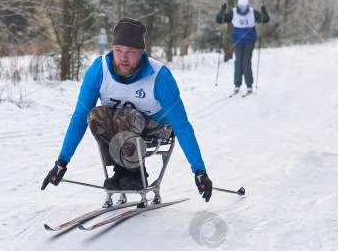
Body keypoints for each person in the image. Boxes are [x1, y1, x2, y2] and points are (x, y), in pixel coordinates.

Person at [41, 18, 212, 202]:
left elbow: (181, 125)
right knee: (96, 115)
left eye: (130, 52)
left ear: (141, 52)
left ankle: (136, 175)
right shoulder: (99, 71)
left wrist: (199, 170)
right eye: (118, 50)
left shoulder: (159, 76)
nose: (123, 58)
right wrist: (62, 162)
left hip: (158, 128)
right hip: (121, 128)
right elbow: (79, 117)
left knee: (125, 115)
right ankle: (121, 172)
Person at [215, 0, 270, 95]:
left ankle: (249, 85)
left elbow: (265, 20)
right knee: (238, 62)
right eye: (241, 7)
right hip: (238, 41)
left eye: (245, 7)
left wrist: (264, 11)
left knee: (246, 62)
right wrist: (222, 11)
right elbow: (220, 20)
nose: (243, 10)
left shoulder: (252, 12)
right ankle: (237, 84)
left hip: (249, 41)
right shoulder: (234, 12)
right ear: (238, 6)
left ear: (248, 6)